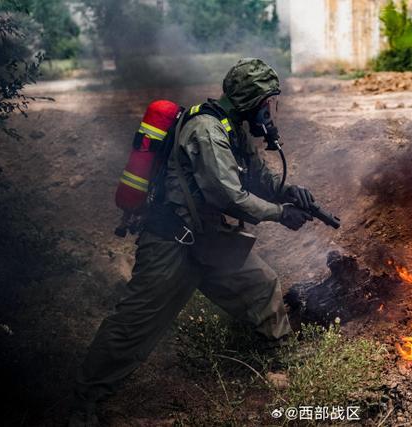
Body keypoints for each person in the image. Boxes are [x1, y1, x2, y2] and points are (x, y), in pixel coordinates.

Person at [69, 58, 315, 426]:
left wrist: (291, 192)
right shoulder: (207, 130)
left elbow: (258, 178)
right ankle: (84, 402)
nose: (269, 110)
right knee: (134, 325)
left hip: (208, 239)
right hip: (171, 242)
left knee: (261, 287)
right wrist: (281, 214)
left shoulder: (234, 129)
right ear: (249, 99)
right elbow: (228, 195)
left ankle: (284, 367)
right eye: (266, 102)